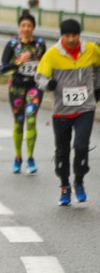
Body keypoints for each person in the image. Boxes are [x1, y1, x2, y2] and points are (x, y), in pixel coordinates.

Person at [36, 18, 100, 205]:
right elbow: (39, 77)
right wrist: (49, 84)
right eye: (67, 36)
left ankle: (79, 181)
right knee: (62, 151)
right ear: (61, 36)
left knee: (81, 146)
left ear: (79, 35)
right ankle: (65, 186)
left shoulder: (90, 50)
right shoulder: (52, 54)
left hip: (85, 108)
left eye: (74, 35)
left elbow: (98, 67)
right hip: (62, 111)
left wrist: (97, 86)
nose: (71, 39)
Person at [0, 11, 46, 174]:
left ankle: (31, 157)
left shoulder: (40, 44)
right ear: (19, 28)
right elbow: (3, 68)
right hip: (16, 88)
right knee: (19, 122)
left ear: (33, 28)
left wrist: (34, 58)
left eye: (29, 26)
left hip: (34, 87)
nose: (26, 29)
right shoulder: (12, 44)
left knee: (31, 120)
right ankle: (18, 157)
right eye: (23, 26)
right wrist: (19, 61)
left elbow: (45, 64)